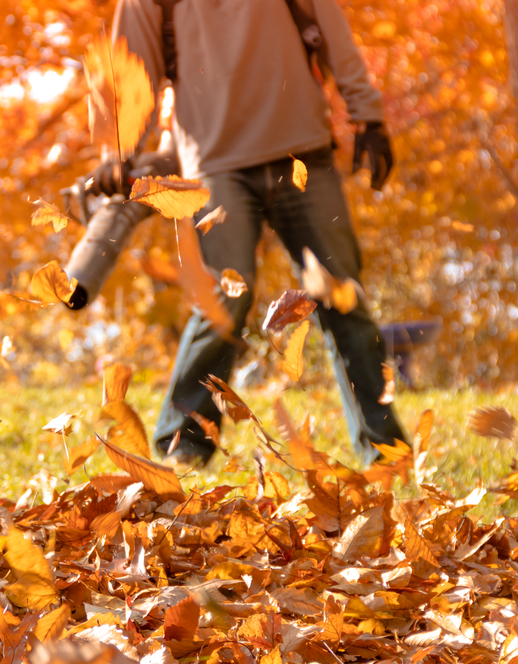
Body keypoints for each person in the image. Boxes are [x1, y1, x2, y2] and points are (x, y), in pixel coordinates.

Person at [89, 0, 407, 465]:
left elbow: (330, 26)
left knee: (344, 297)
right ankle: (183, 449)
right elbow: (129, 67)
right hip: (216, 165)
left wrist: (368, 115)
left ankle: (386, 455)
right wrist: (117, 150)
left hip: (303, 153)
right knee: (224, 298)